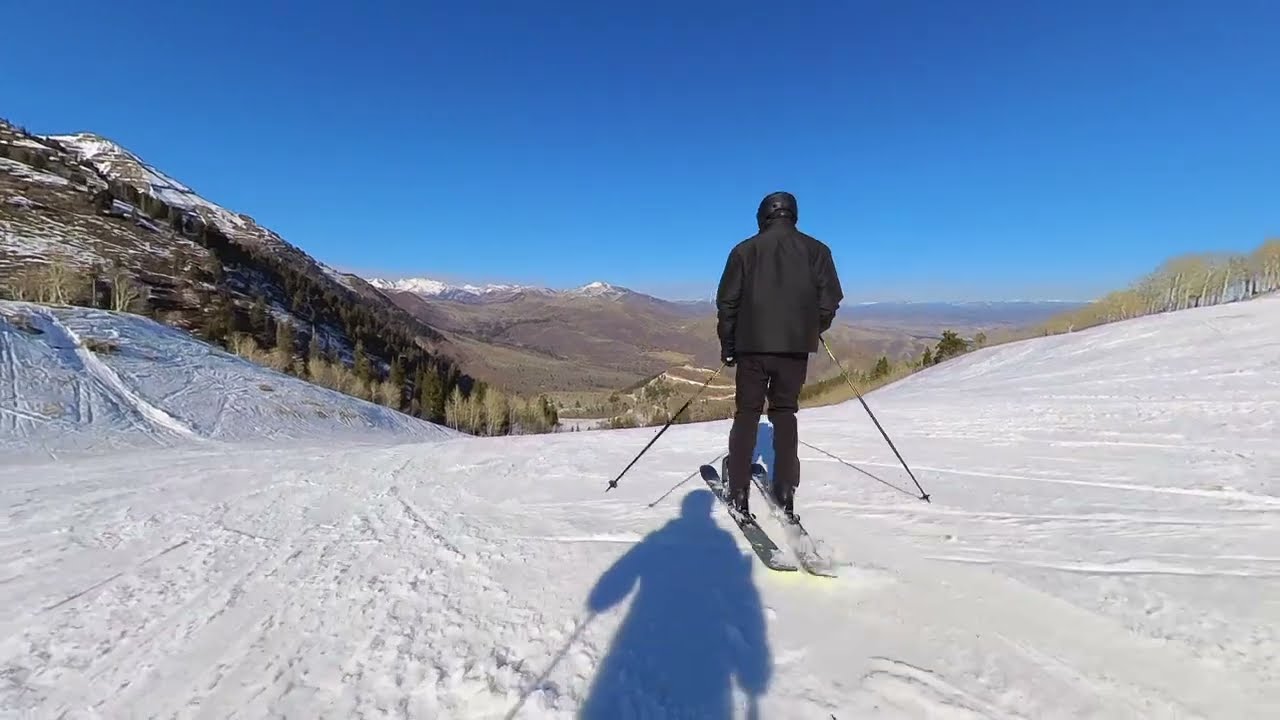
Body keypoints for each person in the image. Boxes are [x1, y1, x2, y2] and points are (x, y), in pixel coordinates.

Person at [715, 190, 843, 524]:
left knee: (747, 413)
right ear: (793, 214)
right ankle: (785, 490)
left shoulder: (744, 251)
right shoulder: (818, 251)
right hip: (794, 350)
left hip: (751, 348)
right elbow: (829, 301)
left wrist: (728, 345)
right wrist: (811, 329)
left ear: (763, 216)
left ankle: (738, 490)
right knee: (785, 413)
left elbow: (727, 303)